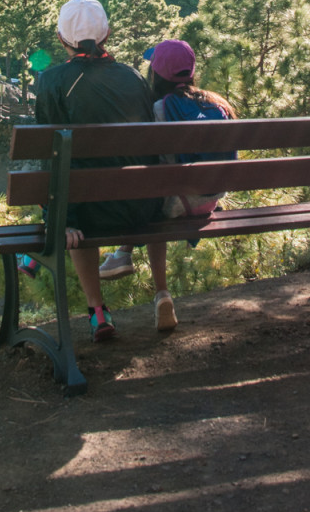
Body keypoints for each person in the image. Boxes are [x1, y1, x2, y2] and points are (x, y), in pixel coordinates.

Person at [28, 0, 176, 340]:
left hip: (86, 218)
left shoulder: (51, 82)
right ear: (107, 34)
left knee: (76, 197)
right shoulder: (134, 78)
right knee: (87, 189)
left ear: (62, 39)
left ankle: (97, 311)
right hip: (141, 209)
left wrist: (59, 219)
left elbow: (49, 157)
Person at [99, 38, 237, 318]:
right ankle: (126, 258)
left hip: (176, 204)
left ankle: (148, 278)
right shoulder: (217, 104)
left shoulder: (158, 109)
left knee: (153, 189)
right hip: (211, 200)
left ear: (157, 75)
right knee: (161, 185)